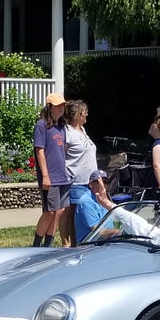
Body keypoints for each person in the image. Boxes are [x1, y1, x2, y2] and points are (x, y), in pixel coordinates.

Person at [31, 92, 69, 247]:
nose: (61, 108)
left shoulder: (61, 127)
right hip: (50, 176)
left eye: (63, 106)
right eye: (58, 106)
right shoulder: (41, 125)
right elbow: (40, 151)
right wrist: (45, 176)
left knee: (59, 211)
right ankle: (35, 246)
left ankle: (48, 245)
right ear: (50, 107)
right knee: (49, 212)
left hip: (62, 175)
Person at [59, 99, 98, 247]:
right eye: (84, 112)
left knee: (78, 215)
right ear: (78, 114)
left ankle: (77, 242)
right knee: (68, 213)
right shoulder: (67, 132)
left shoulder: (82, 130)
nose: (87, 114)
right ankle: (66, 243)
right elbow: (60, 155)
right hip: (74, 180)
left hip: (88, 181)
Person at [74, 169, 111, 243]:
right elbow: (98, 231)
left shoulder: (103, 198)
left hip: (107, 241)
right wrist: (118, 232)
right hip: (91, 245)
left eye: (105, 182)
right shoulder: (86, 202)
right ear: (91, 184)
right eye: (99, 182)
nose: (103, 185)